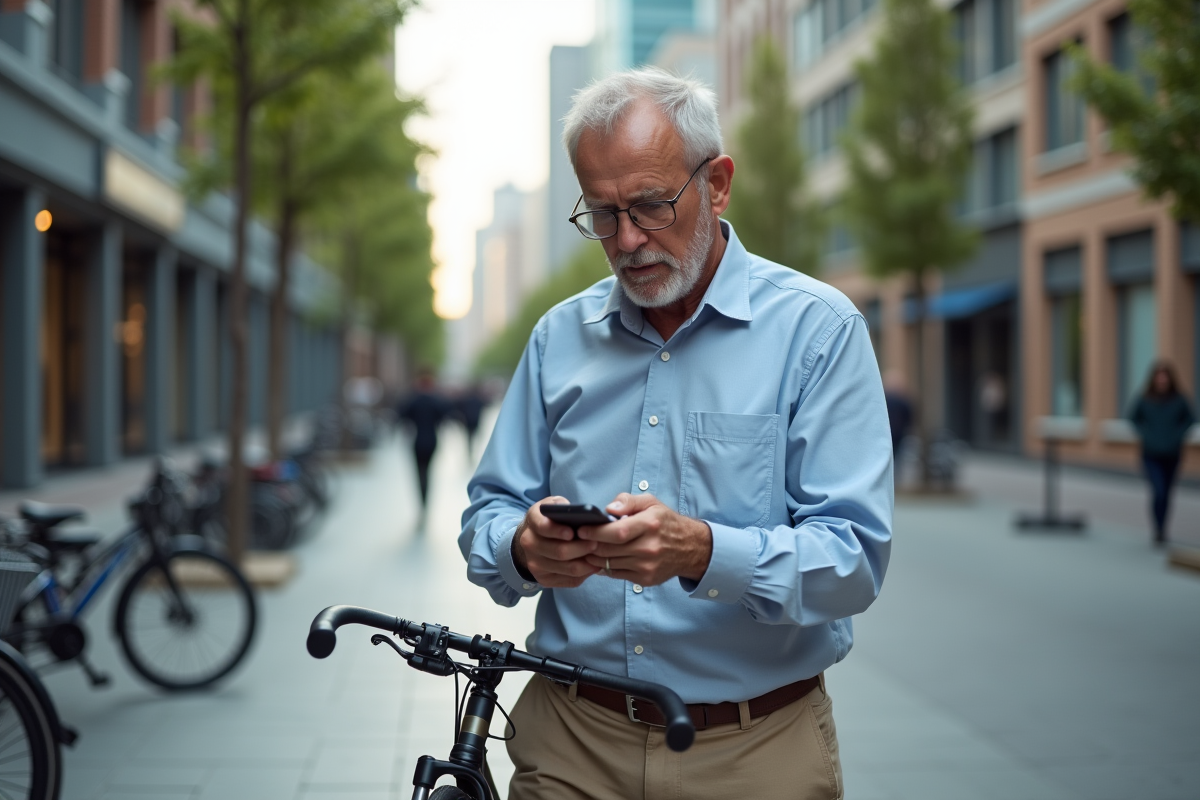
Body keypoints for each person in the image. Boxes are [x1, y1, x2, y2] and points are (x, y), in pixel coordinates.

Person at [459, 68, 892, 800]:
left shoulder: (819, 333)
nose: (628, 240)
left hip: (754, 753)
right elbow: (488, 515)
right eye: (602, 214)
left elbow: (852, 561)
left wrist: (703, 551)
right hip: (571, 742)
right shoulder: (557, 337)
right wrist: (523, 550)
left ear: (717, 183)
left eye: (651, 205)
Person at [1129, 361, 1195, 545]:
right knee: (1158, 490)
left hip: (1172, 454)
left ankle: (1162, 529)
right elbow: (1133, 419)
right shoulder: (1145, 399)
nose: (1162, 379)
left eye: (1165, 376)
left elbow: (1190, 419)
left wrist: (1177, 436)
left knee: (1166, 492)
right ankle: (1157, 528)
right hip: (1151, 454)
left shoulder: (1179, 399)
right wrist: (1147, 435)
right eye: (1159, 376)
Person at [397, 369, 450, 523]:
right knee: (428, 472)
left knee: (419, 473)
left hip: (417, 441)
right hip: (432, 441)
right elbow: (445, 415)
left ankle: (422, 503)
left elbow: (401, 415)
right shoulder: (436, 399)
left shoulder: (413, 399)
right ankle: (425, 503)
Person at [882, 369, 913, 459]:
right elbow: (909, 420)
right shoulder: (903, 401)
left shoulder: (884, 401)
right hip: (898, 435)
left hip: (887, 435)